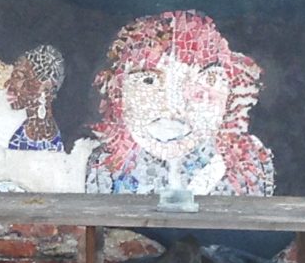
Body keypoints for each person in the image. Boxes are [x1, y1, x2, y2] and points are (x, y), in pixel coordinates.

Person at [83, 10, 274, 196]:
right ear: (116, 89)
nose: (174, 108)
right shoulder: (105, 166)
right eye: (148, 80)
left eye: (205, 80)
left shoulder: (248, 164)